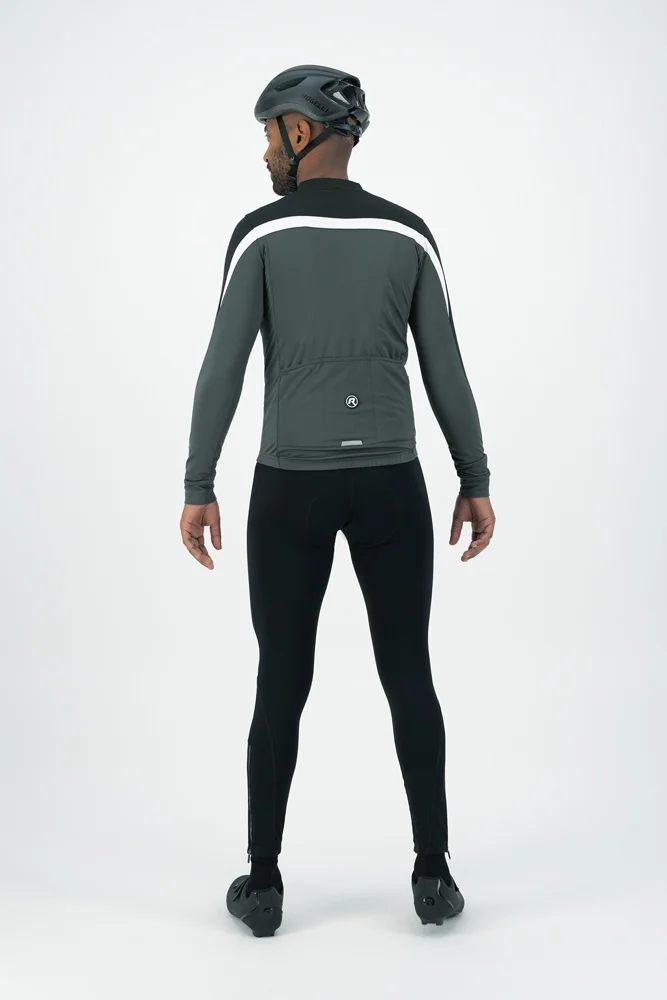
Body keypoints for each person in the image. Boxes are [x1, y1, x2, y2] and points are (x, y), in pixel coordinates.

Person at [180, 64, 495, 937]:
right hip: (393, 482)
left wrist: (199, 483)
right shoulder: (408, 234)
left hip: (291, 485)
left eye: (268, 132)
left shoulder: (261, 233)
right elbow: (446, 368)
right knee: (409, 674)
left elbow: (222, 367)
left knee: (280, 679)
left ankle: (263, 884)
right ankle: (432, 874)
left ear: (300, 132)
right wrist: (472, 477)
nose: (263, 151)